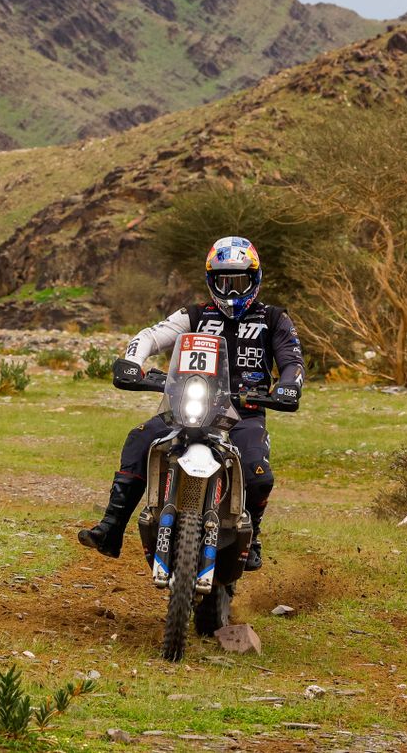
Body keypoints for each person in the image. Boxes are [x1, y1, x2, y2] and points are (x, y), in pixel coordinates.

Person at [79, 236, 304, 570]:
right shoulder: (195, 314)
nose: (230, 291)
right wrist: (133, 362)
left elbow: (292, 361)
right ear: (210, 280)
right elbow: (151, 335)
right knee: (140, 437)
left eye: (238, 282)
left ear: (254, 279)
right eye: (222, 281)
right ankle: (111, 527)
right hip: (188, 406)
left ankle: (253, 536)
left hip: (244, 412)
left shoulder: (274, 319)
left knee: (259, 474)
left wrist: (288, 385)